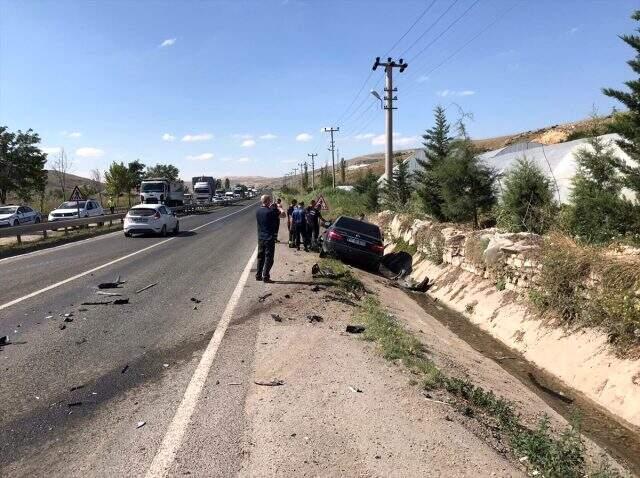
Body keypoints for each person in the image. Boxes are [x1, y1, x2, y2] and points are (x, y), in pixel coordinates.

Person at [255, 194, 285, 282]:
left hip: (260, 238)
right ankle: (266, 276)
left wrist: (271, 207)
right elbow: (283, 215)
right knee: (269, 258)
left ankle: (258, 275)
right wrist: (279, 207)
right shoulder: (271, 212)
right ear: (268, 201)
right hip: (269, 238)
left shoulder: (258, 211)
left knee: (261, 257)